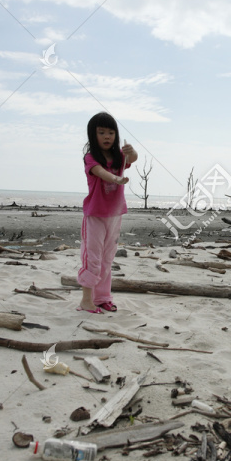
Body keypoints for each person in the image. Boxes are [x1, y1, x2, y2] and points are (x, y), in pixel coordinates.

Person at [77, 112, 137, 313]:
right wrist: (116, 179)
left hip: (114, 215)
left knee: (107, 259)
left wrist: (132, 150)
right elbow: (100, 172)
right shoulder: (90, 157)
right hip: (95, 215)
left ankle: (102, 297)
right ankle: (86, 300)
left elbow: (133, 158)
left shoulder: (119, 156)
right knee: (92, 258)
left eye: (111, 132)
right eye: (101, 132)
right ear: (93, 135)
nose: (107, 136)